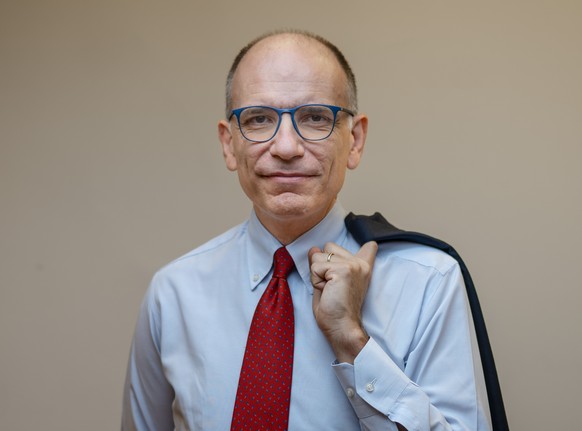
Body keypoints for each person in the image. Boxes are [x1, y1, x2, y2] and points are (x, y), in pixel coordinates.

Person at [122, 30, 491, 430]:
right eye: (259, 119)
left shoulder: (428, 282)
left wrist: (351, 340)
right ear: (229, 145)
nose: (285, 147)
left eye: (315, 117)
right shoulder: (173, 294)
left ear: (355, 141)